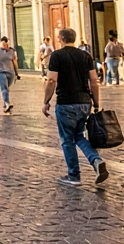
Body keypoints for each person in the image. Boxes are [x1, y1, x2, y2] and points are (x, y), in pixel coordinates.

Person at [44, 28, 107, 186]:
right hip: (85, 102)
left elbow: (52, 80)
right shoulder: (86, 56)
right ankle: (96, 160)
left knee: (67, 140)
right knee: (79, 136)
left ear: (61, 39)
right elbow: (94, 81)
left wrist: (46, 101)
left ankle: (74, 175)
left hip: (66, 102)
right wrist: (97, 103)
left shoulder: (56, 56)